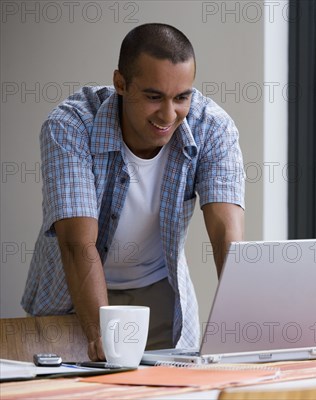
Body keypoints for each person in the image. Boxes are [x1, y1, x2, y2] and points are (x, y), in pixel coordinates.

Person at [21, 23, 245, 361]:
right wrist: (101, 336)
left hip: (156, 292)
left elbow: (226, 234)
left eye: (181, 97)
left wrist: (246, 327)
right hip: (70, 292)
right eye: (154, 97)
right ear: (120, 84)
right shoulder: (70, 126)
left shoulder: (212, 127)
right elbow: (76, 243)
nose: (169, 115)